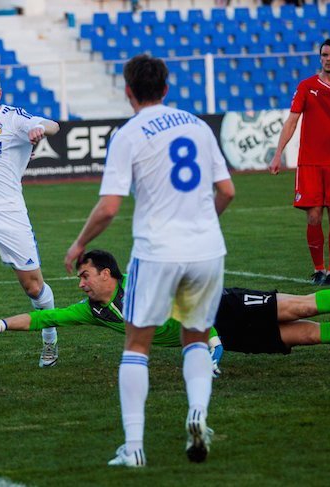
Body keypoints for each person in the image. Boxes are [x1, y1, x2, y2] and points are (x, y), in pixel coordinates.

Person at [63, 54, 236, 467]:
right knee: (195, 337)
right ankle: (198, 415)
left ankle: (135, 447)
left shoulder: (128, 134)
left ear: (128, 91)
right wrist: (200, 224)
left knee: (136, 345)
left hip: (158, 251)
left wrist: (78, 245)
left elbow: (108, 208)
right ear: (166, 88)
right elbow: (227, 191)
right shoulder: (197, 125)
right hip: (207, 249)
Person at [0, 249, 330, 371]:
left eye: (86, 274)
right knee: (306, 336)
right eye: (81, 278)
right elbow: (45, 317)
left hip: (220, 309)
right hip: (219, 339)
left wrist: (209, 339)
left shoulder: (143, 283)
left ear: (108, 274)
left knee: (301, 307)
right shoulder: (97, 312)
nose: (81, 281)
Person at [0, 68, 61, 367]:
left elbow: (53, 125)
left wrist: (38, 129)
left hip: (10, 214)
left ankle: (50, 340)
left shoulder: (13, 118)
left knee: (33, 287)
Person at [269, 38, 330, 287]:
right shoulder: (306, 86)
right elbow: (291, 121)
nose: (328, 59)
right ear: (320, 57)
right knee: (313, 216)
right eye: (324, 54)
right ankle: (318, 270)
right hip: (310, 163)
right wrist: (277, 152)